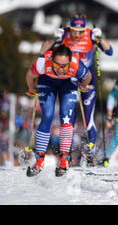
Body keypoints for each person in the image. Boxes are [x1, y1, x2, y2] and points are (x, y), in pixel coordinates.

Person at [40, 13, 113, 166]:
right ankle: (67, 153)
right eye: (74, 30)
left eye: (81, 31)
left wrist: (99, 38)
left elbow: (109, 51)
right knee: (68, 118)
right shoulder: (64, 33)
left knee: (88, 118)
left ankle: (91, 151)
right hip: (69, 79)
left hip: (87, 78)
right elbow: (43, 52)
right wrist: (55, 39)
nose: (77, 34)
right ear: (70, 28)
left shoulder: (90, 35)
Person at [25, 45, 92, 177]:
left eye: (64, 66)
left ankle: (63, 160)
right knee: (48, 116)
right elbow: (29, 75)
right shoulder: (42, 62)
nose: (61, 69)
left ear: (70, 61)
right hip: (47, 81)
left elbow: (88, 76)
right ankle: (39, 160)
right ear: (52, 60)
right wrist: (32, 88)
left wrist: (83, 86)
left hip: (68, 83)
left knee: (66, 116)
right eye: (57, 65)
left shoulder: (76, 64)